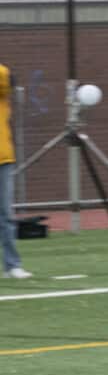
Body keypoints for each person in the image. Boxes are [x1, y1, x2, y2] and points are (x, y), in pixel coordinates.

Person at [0, 63, 30, 279]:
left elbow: (6, 77)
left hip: (2, 159)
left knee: (5, 215)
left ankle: (12, 265)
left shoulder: (2, 92)